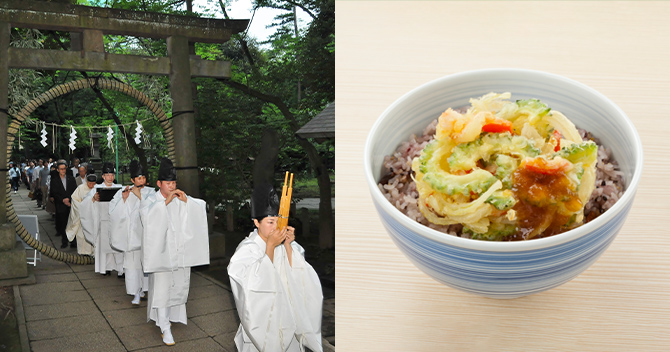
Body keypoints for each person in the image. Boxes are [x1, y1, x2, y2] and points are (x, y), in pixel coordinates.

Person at [228, 182, 323, 352]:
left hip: (287, 315)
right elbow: (254, 286)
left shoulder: (280, 241)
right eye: (270, 222)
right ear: (256, 222)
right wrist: (270, 247)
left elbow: (298, 274)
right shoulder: (246, 249)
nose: (275, 227)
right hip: (262, 325)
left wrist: (287, 244)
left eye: (278, 222)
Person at [140, 157, 209, 346]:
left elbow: (199, 207)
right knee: (162, 289)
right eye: (168, 183)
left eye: (174, 183)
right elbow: (146, 218)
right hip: (161, 254)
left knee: (178, 285)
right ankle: (164, 326)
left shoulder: (180, 197)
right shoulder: (150, 200)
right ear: (159, 184)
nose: (171, 186)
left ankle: (172, 317)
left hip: (179, 251)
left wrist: (188, 203)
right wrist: (164, 204)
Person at [109, 160, 152, 305]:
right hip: (131, 236)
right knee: (132, 266)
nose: (142, 181)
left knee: (146, 265)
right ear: (132, 180)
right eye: (139, 178)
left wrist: (140, 196)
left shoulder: (151, 193)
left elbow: (154, 211)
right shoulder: (123, 192)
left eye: (144, 178)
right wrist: (124, 200)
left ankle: (144, 289)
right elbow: (113, 212)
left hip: (145, 235)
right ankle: (135, 293)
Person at [80, 162, 125, 276]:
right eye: (108, 175)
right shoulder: (96, 189)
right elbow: (85, 203)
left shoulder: (120, 189)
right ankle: (105, 268)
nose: (110, 177)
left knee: (118, 245)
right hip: (103, 221)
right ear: (103, 176)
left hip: (116, 222)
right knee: (104, 246)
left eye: (112, 175)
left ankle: (121, 269)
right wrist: (93, 199)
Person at [65, 167, 96, 256]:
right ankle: (83, 252)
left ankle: (94, 253)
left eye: (93, 184)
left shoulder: (97, 188)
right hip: (83, 216)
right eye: (89, 183)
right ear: (87, 182)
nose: (91, 186)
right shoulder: (80, 188)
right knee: (82, 235)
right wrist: (83, 207)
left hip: (93, 216)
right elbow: (74, 200)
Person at [50, 160, 77, 248]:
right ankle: (64, 241)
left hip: (70, 204)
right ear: (58, 170)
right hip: (60, 205)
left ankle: (73, 241)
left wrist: (68, 199)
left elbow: (74, 190)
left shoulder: (71, 179)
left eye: (64, 169)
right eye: (61, 169)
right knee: (63, 224)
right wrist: (63, 200)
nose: (63, 171)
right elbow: (54, 192)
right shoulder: (54, 180)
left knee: (72, 223)